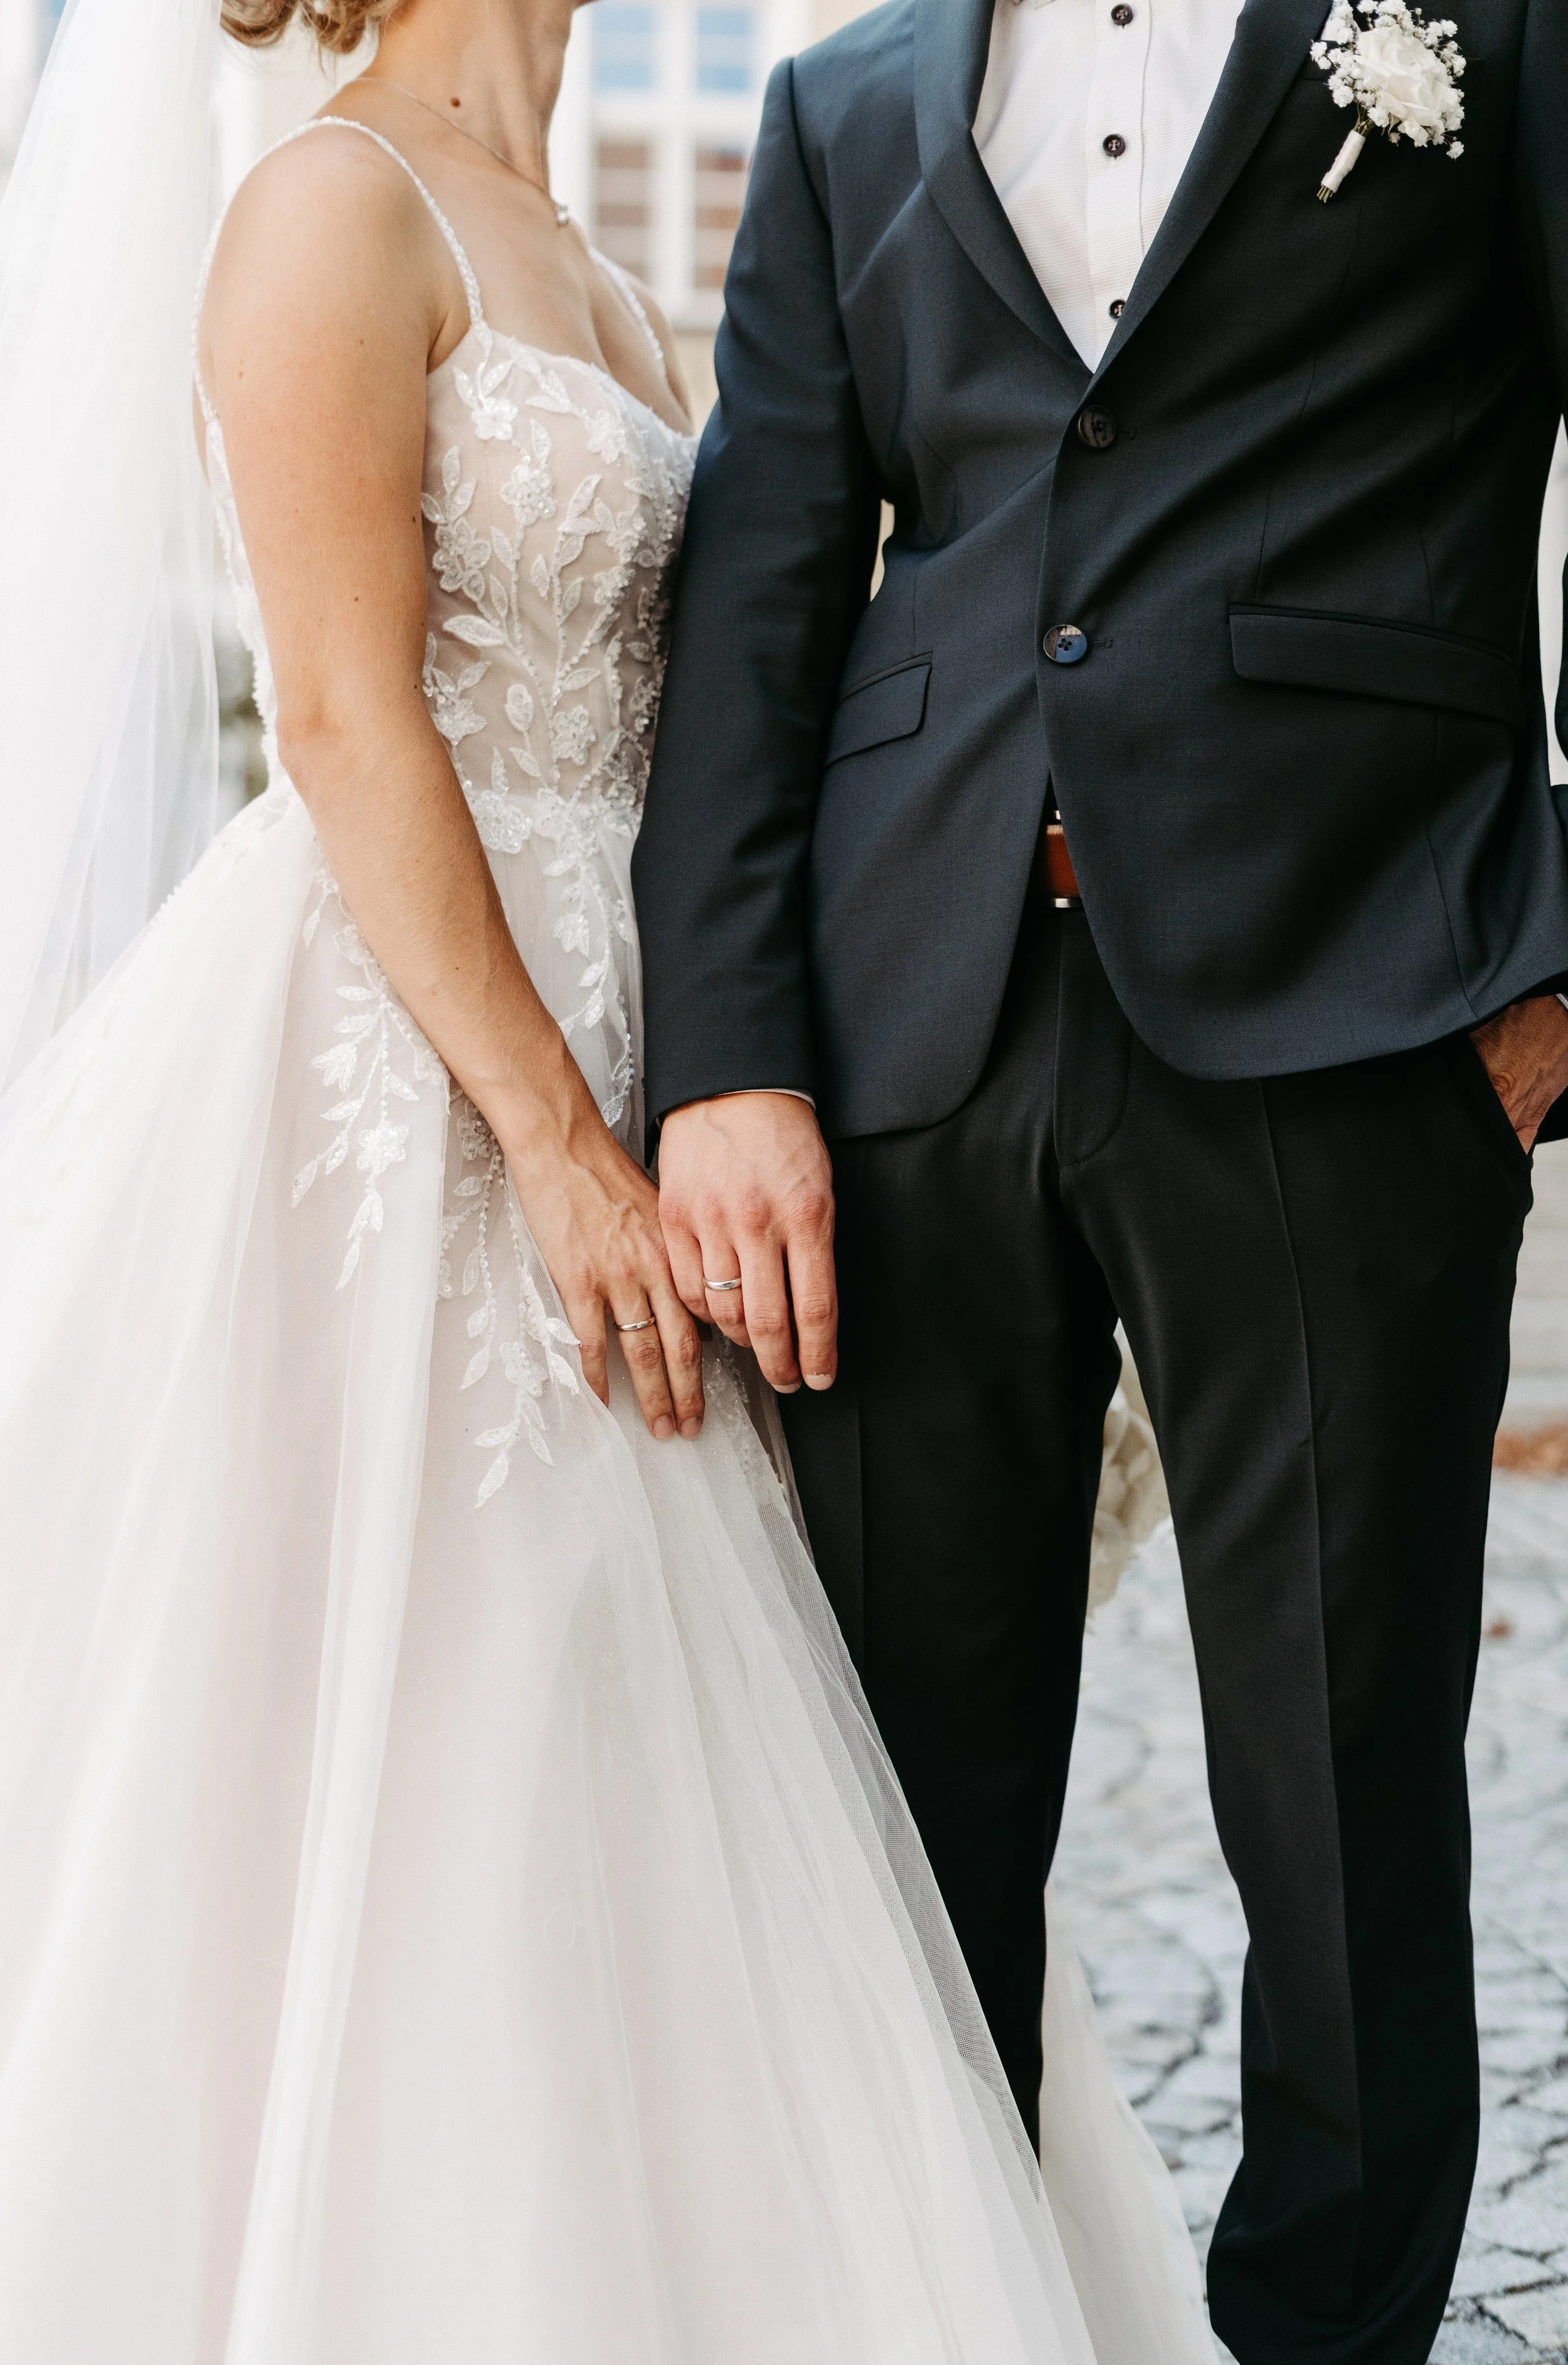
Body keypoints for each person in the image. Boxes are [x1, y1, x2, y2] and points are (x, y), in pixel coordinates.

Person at [0, 0, 1217, 2355]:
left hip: (678, 1076)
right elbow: (346, 723)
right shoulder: (325, 210)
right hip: (413, 1083)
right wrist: (555, 1151)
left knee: (705, 1729)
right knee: (438, 1708)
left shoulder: (615, 269)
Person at [632, 0, 1568, 2358]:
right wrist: (731, 1059)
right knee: (898, 1805)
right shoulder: (842, 105)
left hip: (1354, 1012)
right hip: (906, 1038)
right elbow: (759, 594)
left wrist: (1553, 977)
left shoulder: (1480, 31)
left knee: (1340, 1808)